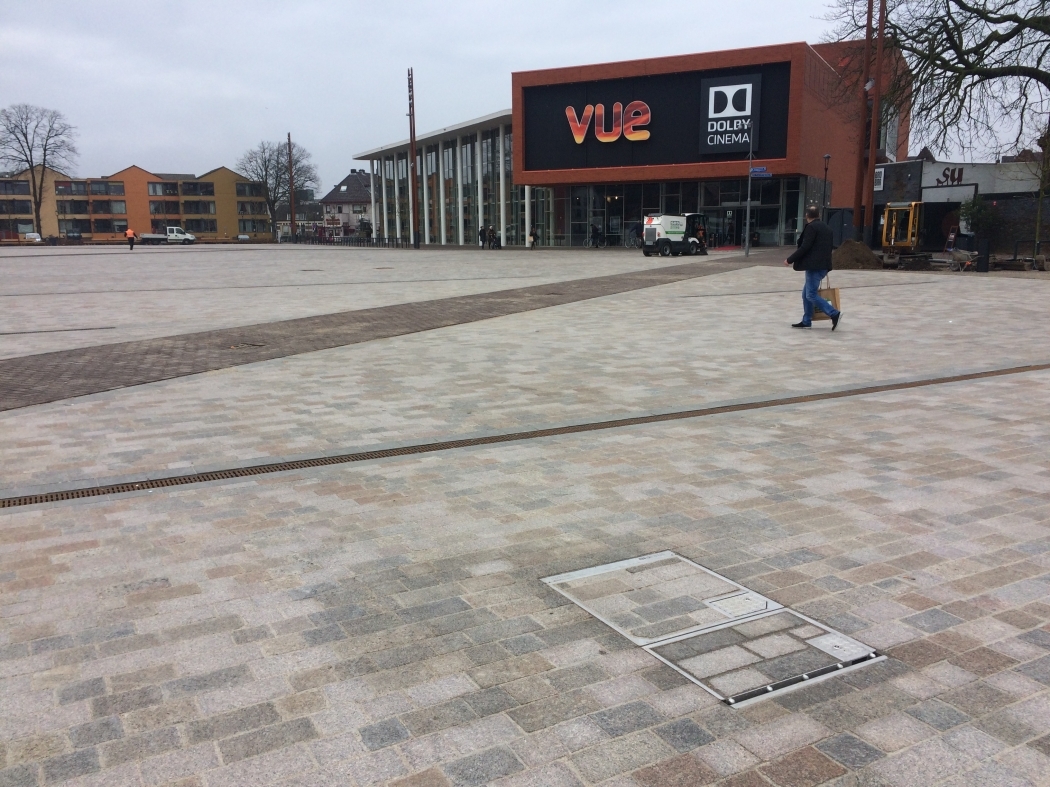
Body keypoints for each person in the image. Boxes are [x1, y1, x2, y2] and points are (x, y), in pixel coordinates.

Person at [785, 205, 841, 330]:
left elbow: (805, 247)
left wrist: (790, 259)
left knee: (810, 294)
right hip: (824, 265)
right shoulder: (827, 228)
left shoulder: (811, 227)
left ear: (807, 216)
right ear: (818, 215)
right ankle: (806, 320)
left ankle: (833, 313)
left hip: (814, 266)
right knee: (806, 294)